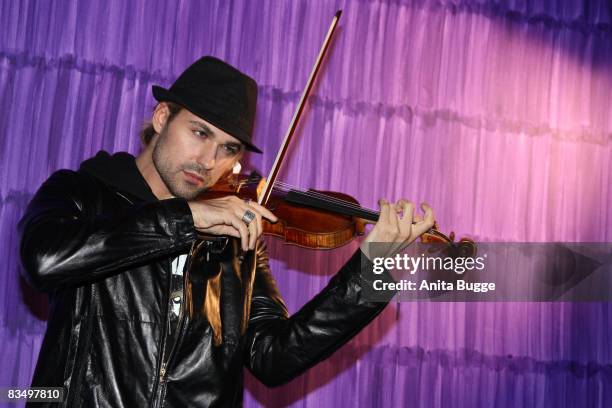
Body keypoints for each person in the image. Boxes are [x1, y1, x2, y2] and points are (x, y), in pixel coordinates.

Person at [19, 56, 435, 407]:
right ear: (163, 118)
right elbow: (44, 260)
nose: (207, 160)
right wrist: (185, 217)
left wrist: (372, 271)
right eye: (200, 133)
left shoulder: (235, 239)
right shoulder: (82, 192)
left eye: (228, 148)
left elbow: (275, 357)